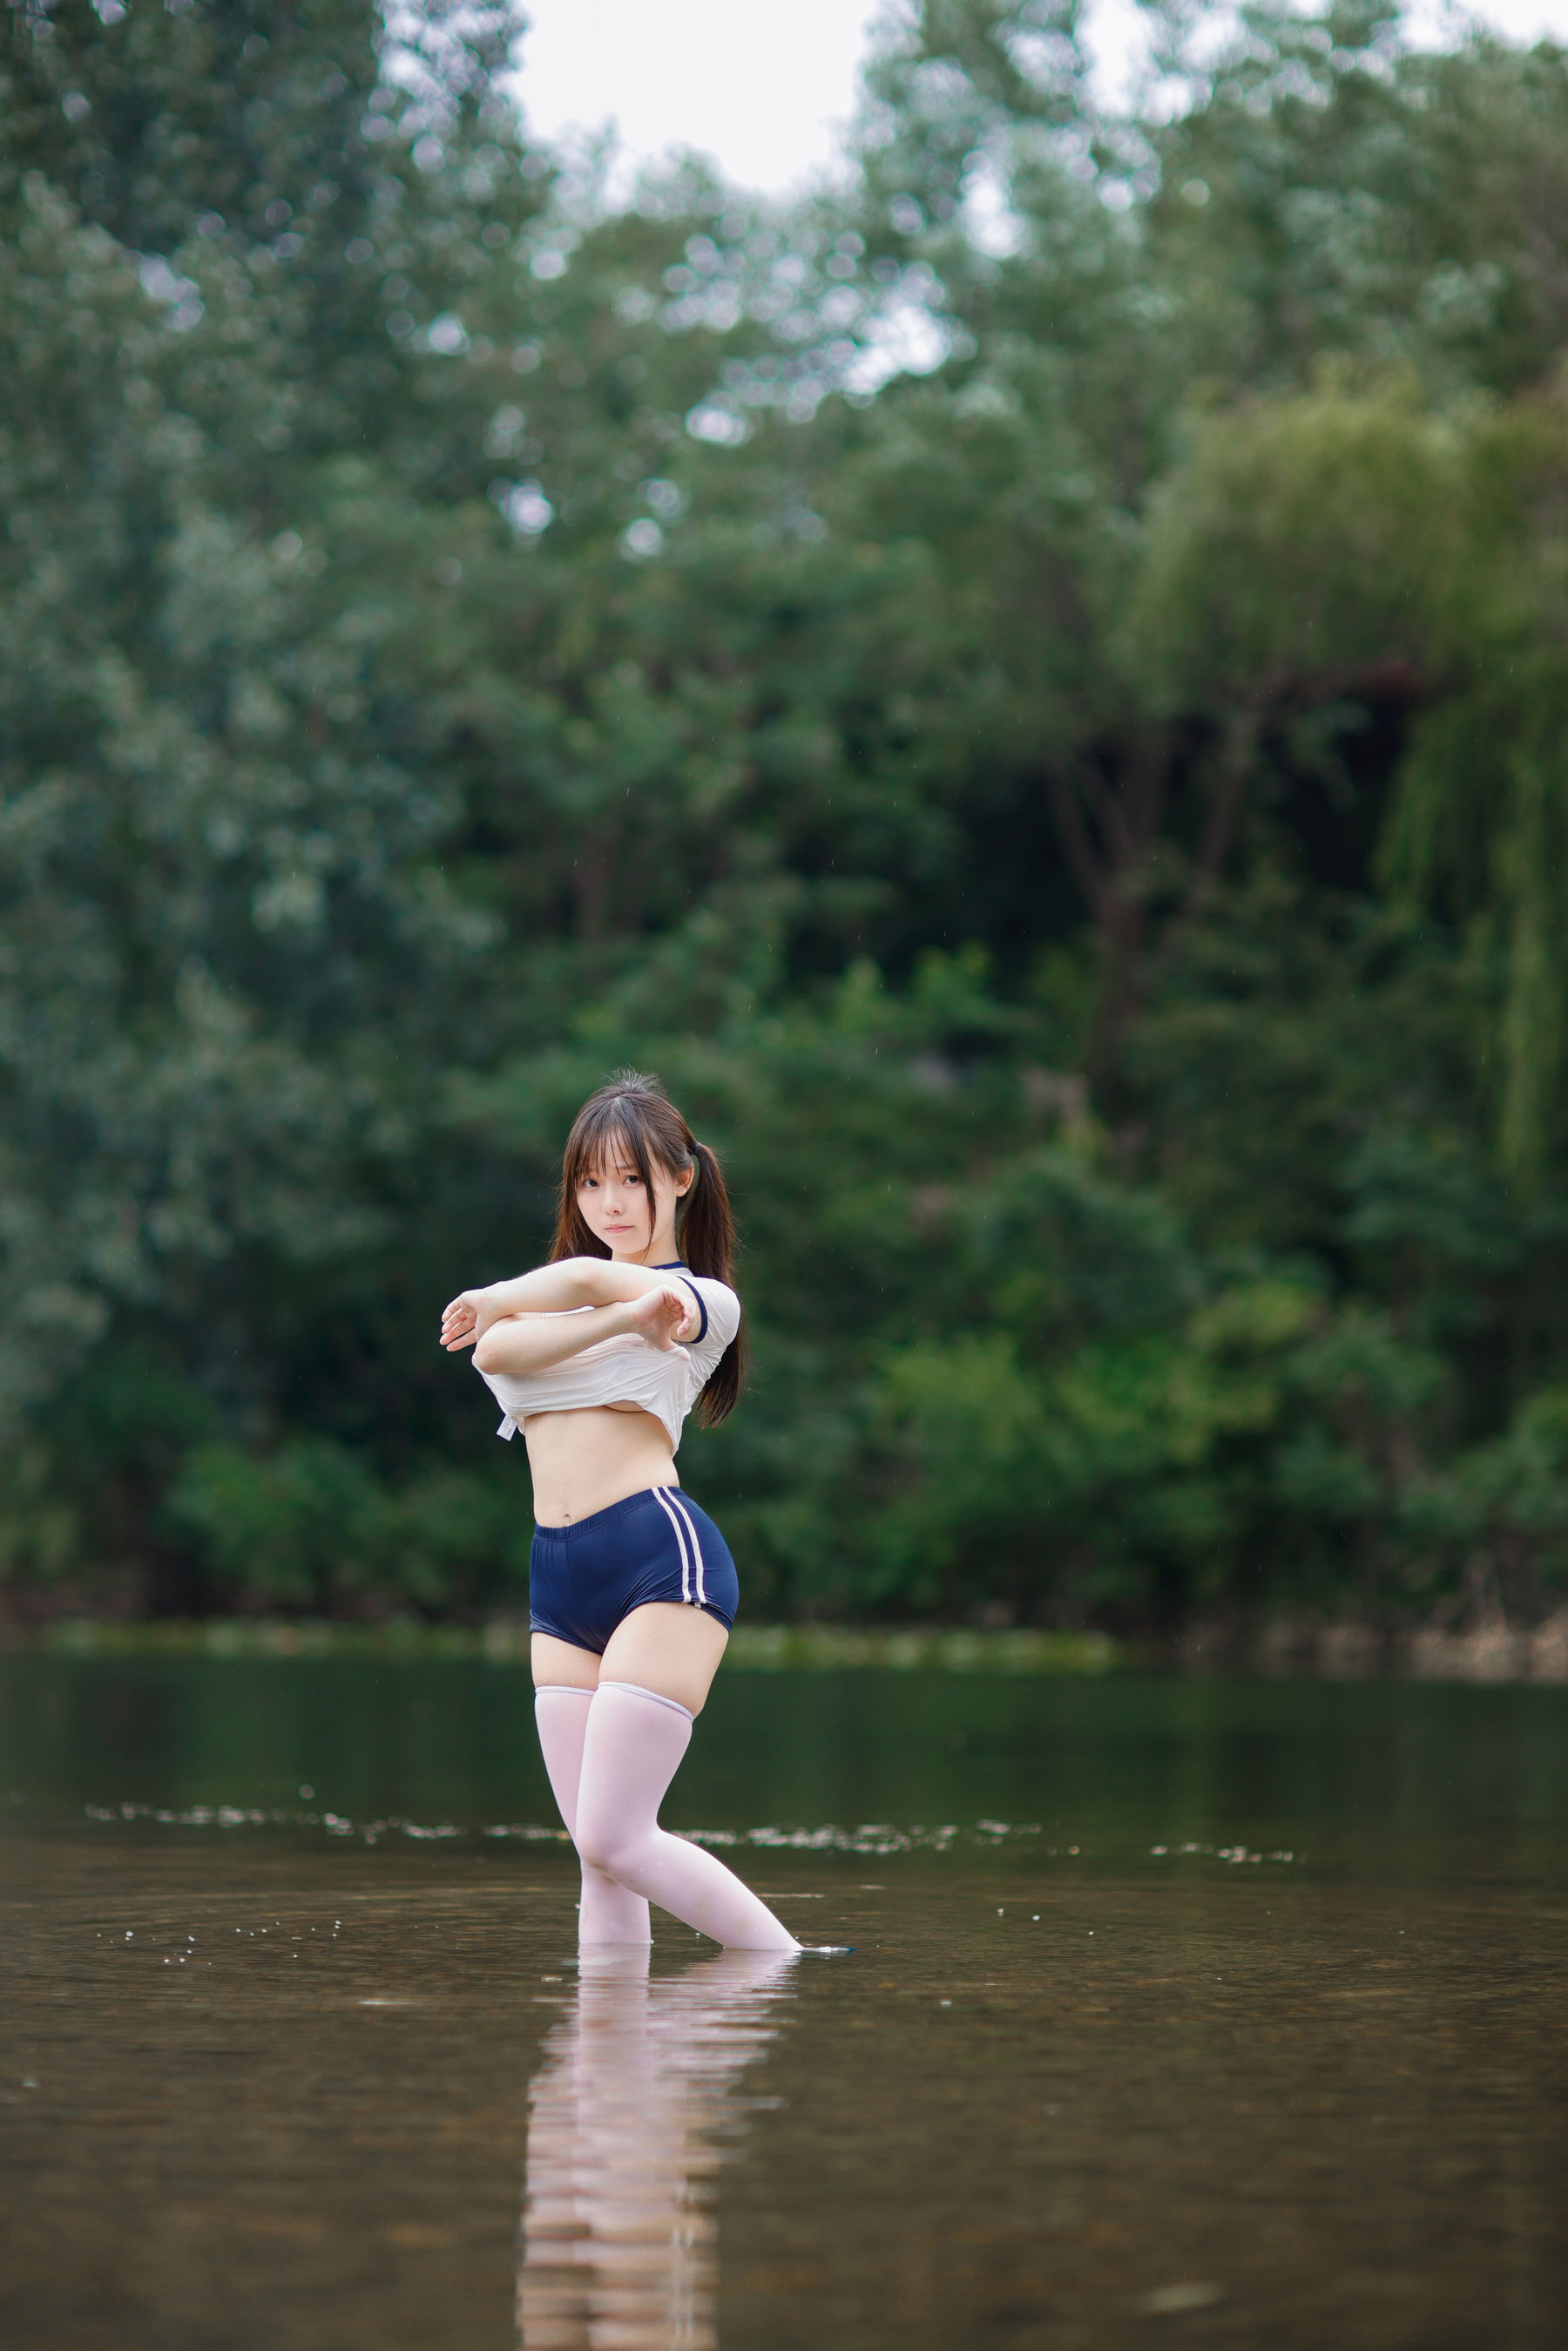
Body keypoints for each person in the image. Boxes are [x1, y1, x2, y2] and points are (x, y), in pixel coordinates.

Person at [439, 1071, 801, 1954]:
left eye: (632, 1179)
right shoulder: (564, 1300)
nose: (610, 1203)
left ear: (680, 1178)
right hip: (558, 1577)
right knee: (595, 1861)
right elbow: (495, 1348)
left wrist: (568, 1300)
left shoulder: (705, 1300)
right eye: (591, 1182)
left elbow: (640, 1304)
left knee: (616, 1835)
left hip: (656, 1558)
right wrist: (602, 1316)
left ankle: (787, 1968)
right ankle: (606, 2041)